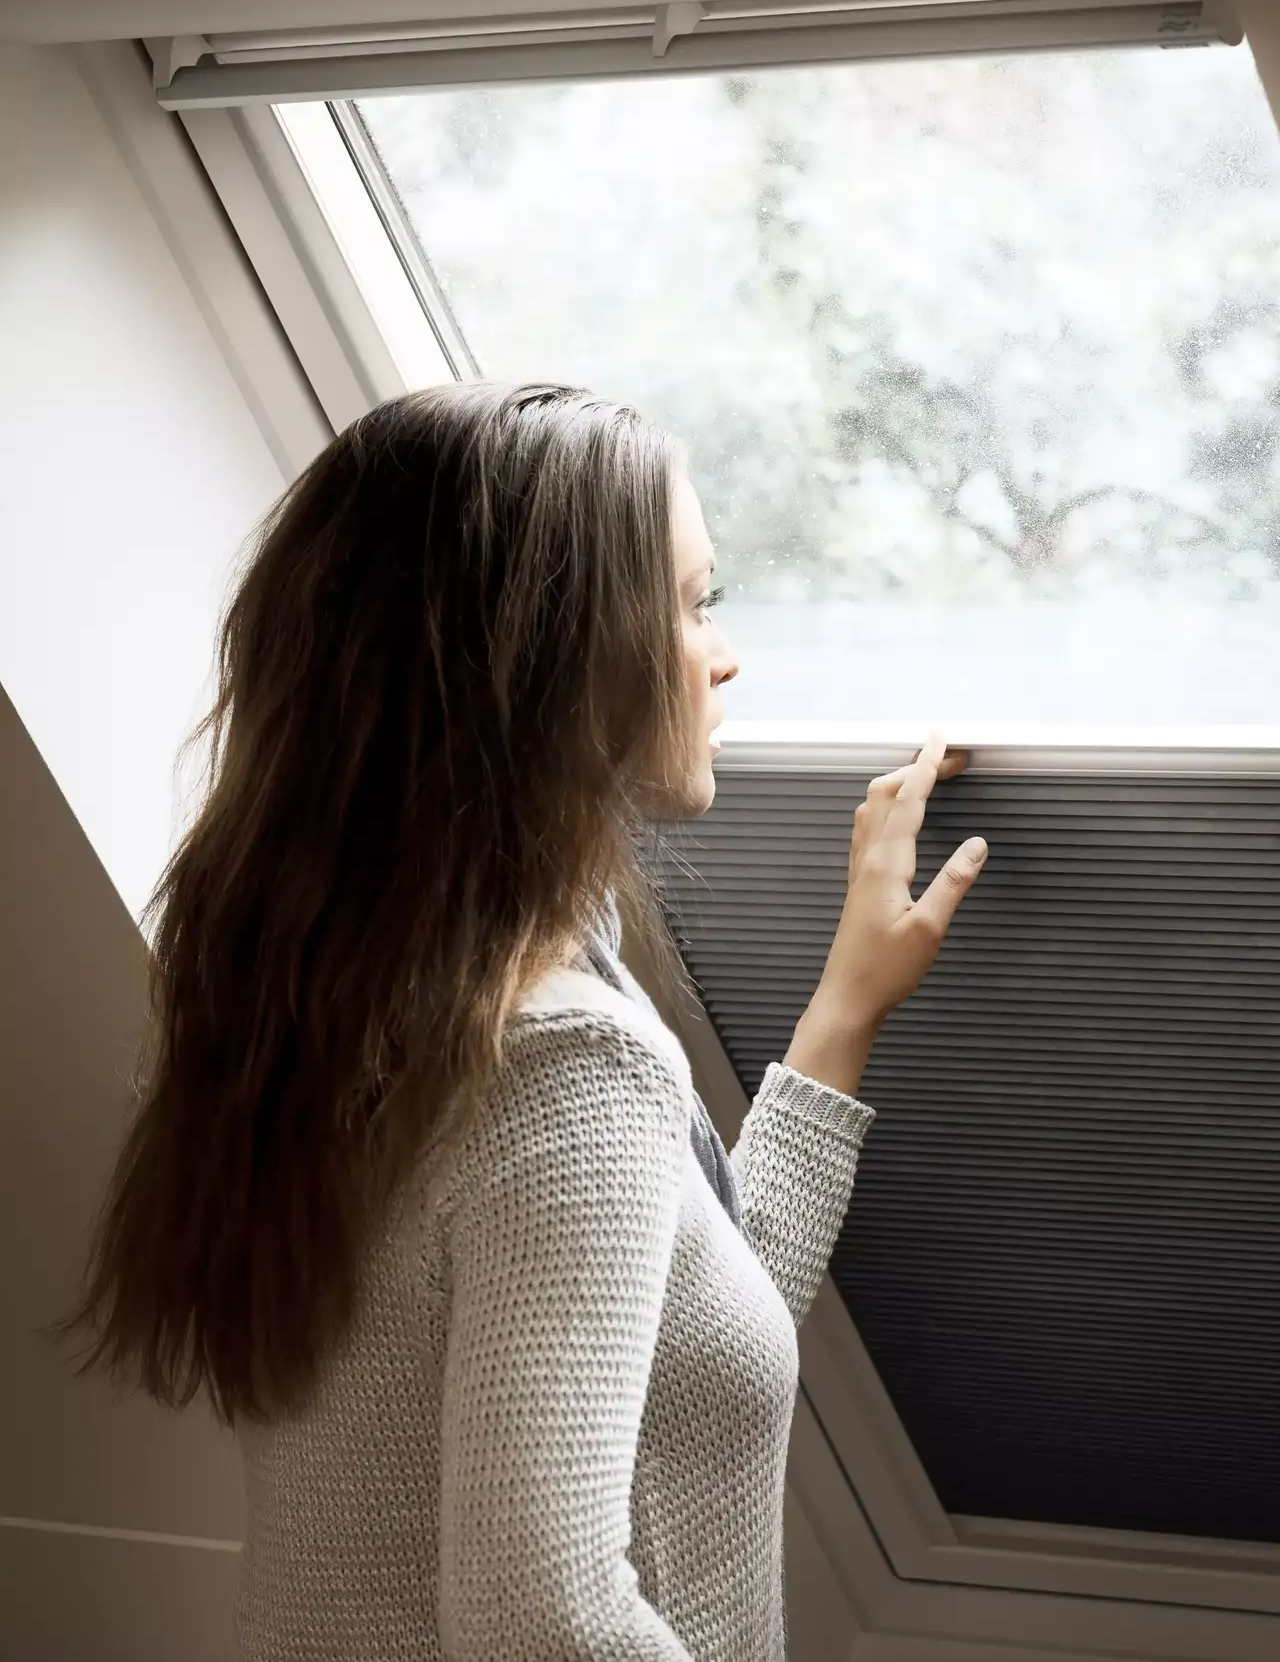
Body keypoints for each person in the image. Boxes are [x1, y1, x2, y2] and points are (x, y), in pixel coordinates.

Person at [73, 383, 988, 1661]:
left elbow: (686, 1340)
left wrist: (847, 1002)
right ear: (550, 658)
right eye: (690, 603)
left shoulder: (347, 1000)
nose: (721, 656)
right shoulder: (558, 1065)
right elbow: (541, 1621)